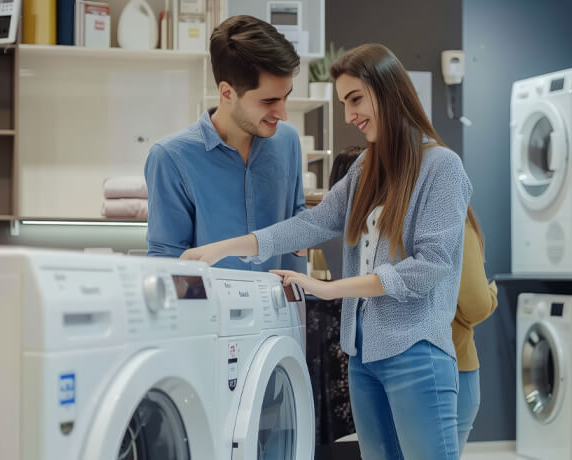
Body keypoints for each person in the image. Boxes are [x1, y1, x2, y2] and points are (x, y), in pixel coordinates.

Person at [182, 43, 472, 459]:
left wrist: (329, 289)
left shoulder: (441, 167)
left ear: (389, 90)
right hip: (362, 356)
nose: (350, 115)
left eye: (355, 99)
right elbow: (311, 223)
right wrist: (221, 249)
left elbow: (428, 268)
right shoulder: (366, 168)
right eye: (343, 103)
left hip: (416, 350)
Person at [143, 15, 306, 273]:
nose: (283, 113)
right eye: (268, 101)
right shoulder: (171, 157)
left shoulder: (288, 141)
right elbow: (167, 258)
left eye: (286, 97)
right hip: (209, 311)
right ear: (227, 92)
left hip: (281, 310)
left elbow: (296, 229)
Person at [453, 207, 499, 453]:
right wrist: (492, 292)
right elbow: (477, 306)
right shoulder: (456, 220)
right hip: (456, 366)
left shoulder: (390, 217)